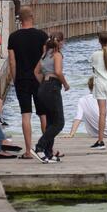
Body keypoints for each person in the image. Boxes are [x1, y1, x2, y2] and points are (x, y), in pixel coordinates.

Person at [7, 6, 48, 159]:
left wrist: (14, 78)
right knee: (43, 114)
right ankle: (47, 148)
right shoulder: (42, 35)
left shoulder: (14, 37)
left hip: (22, 79)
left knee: (26, 114)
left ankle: (28, 150)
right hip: (39, 79)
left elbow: (12, 62)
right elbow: (46, 58)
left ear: (20, 19)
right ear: (32, 16)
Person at [32, 32, 70, 163]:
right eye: (63, 41)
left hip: (43, 88)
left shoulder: (44, 55)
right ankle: (39, 147)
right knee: (59, 123)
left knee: (50, 122)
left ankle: (48, 152)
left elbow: (36, 72)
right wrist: (65, 84)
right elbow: (58, 72)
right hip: (53, 87)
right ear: (59, 42)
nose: (63, 44)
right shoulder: (57, 55)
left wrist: (43, 83)